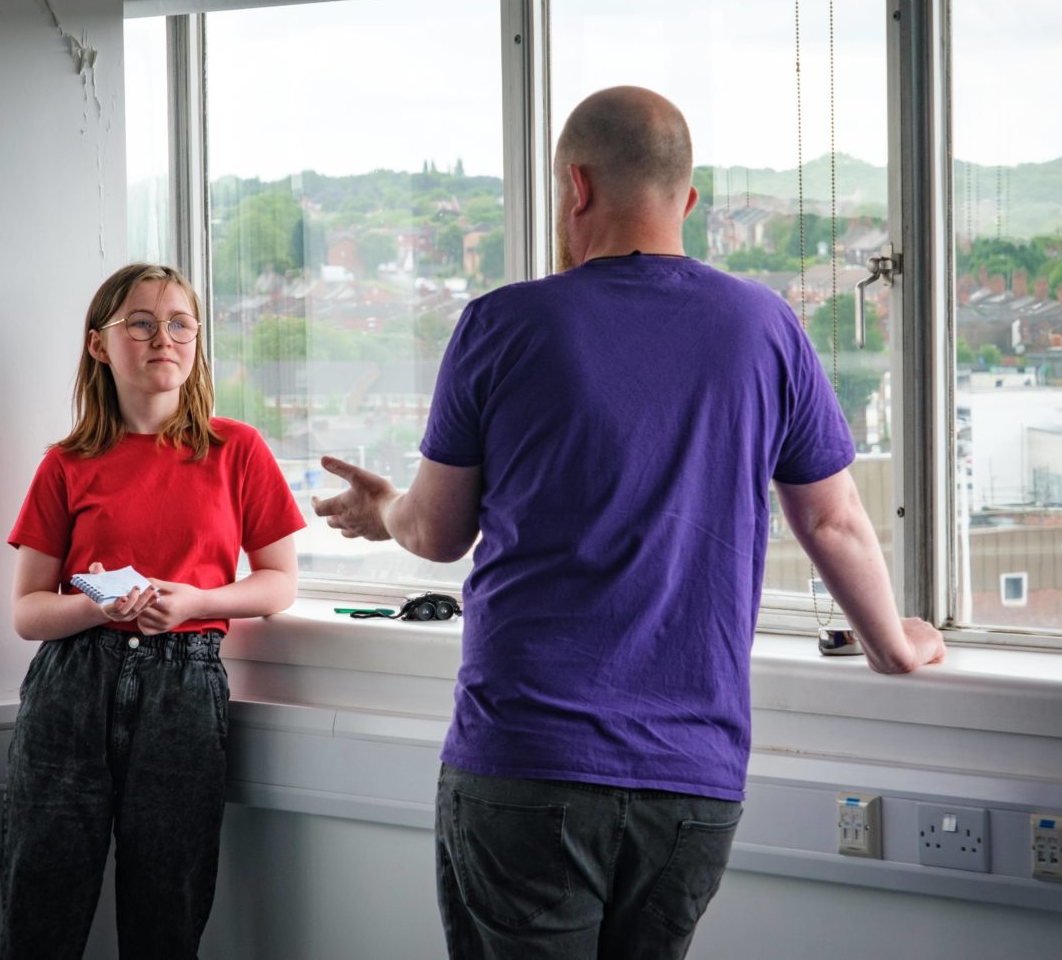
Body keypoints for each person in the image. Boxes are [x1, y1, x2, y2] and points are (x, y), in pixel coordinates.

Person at [312, 86, 944, 959]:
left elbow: (438, 531)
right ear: (688, 199)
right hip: (691, 781)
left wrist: (381, 508)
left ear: (575, 186)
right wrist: (894, 645)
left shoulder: (503, 324)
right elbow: (832, 519)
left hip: (526, 759)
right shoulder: (766, 329)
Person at [0, 262, 305, 959]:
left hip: (185, 690)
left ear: (197, 340)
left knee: (166, 915)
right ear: (99, 345)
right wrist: (94, 605)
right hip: (69, 690)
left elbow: (279, 582)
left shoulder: (238, 450)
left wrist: (198, 600)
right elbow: (28, 611)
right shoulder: (66, 464)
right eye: (140, 322)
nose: (162, 337)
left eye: (179, 323)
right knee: (37, 910)